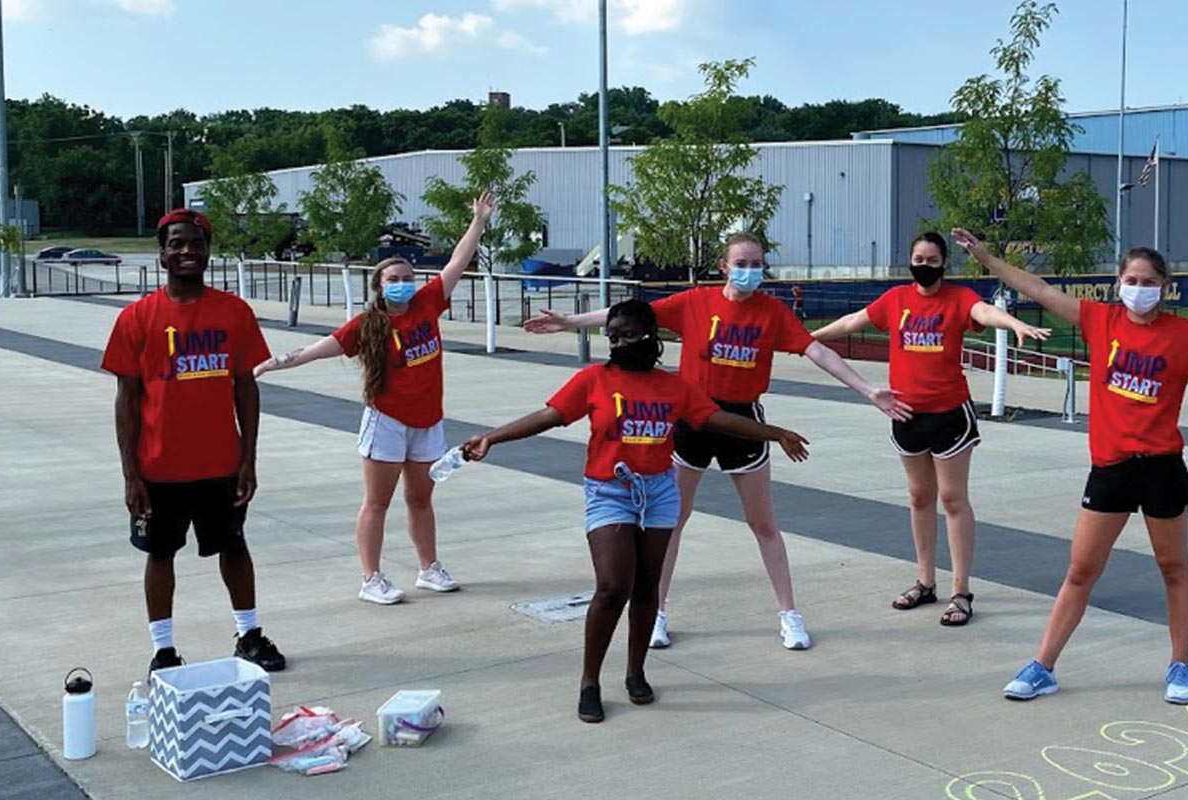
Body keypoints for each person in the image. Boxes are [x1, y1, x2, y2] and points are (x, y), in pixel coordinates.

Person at [949, 228, 1188, 704]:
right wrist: (988, 257)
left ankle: (1179, 665)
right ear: (1119, 283)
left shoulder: (1182, 336)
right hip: (1111, 469)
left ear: (1165, 285)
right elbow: (1040, 289)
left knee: (1173, 568)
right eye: (1132, 278)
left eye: (1150, 280)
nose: (1140, 287)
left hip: (1162, 469)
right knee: (1080, 571)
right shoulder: (1100, 320)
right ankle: (1043, 666)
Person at [525, 233, 909, 650]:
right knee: (670, 521)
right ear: (724, 266)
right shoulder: (695, 303)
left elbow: (816, 352)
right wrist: (570, 322)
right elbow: (631, 314)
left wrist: (868, 390)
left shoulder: (772, 312)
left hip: (741, 420)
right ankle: (657, 611)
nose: (750, 270)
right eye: (741, 262)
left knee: (763, 523)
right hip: (690, 419)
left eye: (757, 262)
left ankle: (789, 614)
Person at [464, 300, 810, 723]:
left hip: (660, 493)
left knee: (647, 587)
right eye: (612, 337)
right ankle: (589, 681)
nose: (619, 343)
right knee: (613, 586)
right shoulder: (594, 379)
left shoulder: (674, 387)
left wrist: (776, 433)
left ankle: (636, 671)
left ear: (652, 338)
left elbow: (718, 419)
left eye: (628, 335)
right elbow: (549, 416)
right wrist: (492, 438)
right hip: (610, 491)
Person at [252, 191, 496, 604]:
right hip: (387, 422)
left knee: (420, 498)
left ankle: (429, 568)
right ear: (379, 286)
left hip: (428, 422)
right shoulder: (366, 325)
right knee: (377, 502)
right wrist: (272, 364)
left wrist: (479, 221)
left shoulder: (427, 303)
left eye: (406, 277)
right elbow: (315, 350)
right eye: (393, 279)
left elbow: (457, 261)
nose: (402, 285)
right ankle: (371, 578)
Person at [812, 232, 1049, 626]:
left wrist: (1012, 324)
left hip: (949, 415)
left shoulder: (958, 299)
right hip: (906, 413)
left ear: (944, 263)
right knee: (919, 497)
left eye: (932, 259)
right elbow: (855, 322)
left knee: (953, 499)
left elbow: (985, 313)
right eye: (918, 258)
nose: (924, 265)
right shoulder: (896, 300)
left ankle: (961, 590)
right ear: (910, 261)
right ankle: (925, 581)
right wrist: (808, 338)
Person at [103, 209, 286, 674]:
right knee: (161, 555)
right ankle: (163, 649)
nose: (188, 251)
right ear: (162, 254)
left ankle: (249, 635)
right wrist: (131, 474)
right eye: (177, 244)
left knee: (234, 546)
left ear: (207, 251)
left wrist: (248, 458)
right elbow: (126, 399)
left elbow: (246, 387)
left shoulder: (233, 312)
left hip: (221, 465)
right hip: (159, 467)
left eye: (197, 243)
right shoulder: (137, 317)